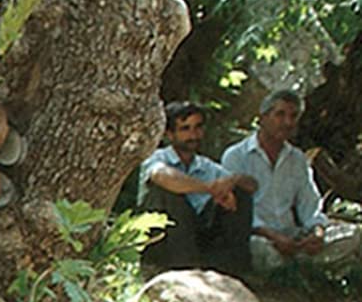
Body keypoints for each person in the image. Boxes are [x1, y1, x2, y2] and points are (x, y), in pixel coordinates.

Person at [221, 88, 362, 275]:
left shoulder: (297, 159)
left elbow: (309, 205)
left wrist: (317, 233)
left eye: (293, 116)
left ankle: (296, 266)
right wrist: (273, 236)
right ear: (262, 118)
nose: (287, 122)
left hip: (293, 237)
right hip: (259, 236)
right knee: (259, 250)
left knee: (353, 235)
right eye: (280, 114)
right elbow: (233, 210)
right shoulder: (236, 156)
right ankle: (294, 269)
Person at [136, 101, 256, 277]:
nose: (193, 135)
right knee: (168, 193)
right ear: (170, 134)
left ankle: (232, 271)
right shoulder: (157, 158)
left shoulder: (205, 166)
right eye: (185, 129)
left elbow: (252, 185)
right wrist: (210, 189)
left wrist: (231, 182)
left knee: (240, 193)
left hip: (197, 236)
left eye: (197, 127)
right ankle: (181, 268)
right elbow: (162, 176)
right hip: (162, 240)